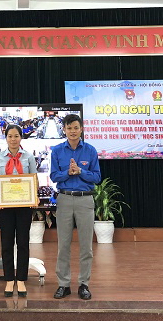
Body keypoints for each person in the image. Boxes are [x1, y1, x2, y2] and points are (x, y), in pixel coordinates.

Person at [50, 113, 101, 300]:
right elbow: (54, 176)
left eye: (76, 128)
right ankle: (63, 284)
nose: (72, 131)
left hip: (85, 200)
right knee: (63, 245)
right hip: (64, 199)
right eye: (69, 128)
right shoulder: (57, 151)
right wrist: (68, 173)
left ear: (81, 129)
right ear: (64, 130)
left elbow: (97, 177)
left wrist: (80, 171)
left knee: (86, 246)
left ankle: (84, 284)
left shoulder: (90, 150)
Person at [0, 124, 37, 297]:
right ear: (6, 138)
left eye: (16, 136)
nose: (13, 139)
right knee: (7, 243)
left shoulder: (29, 157)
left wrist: (33, 195)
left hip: (24, 206)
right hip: (6, 207)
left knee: (23, 242)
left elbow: (34, 179)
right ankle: (9, 279)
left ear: (21, 138)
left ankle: (22, 279)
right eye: (10, 136)